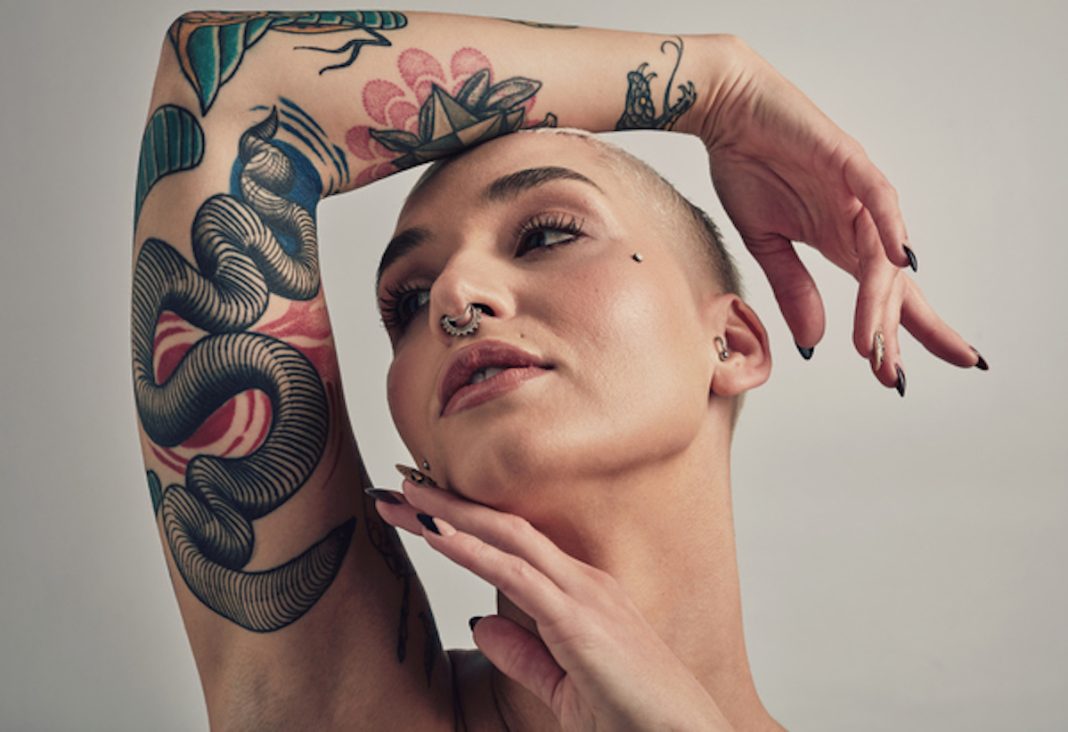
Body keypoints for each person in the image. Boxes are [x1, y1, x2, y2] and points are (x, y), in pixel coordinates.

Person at [131, 10, 986, 731]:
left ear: (731, 344)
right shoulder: (348, 704)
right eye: (408, 301)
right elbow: (232, 94)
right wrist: (717, 88)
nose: (454, 298)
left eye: (546, 235)